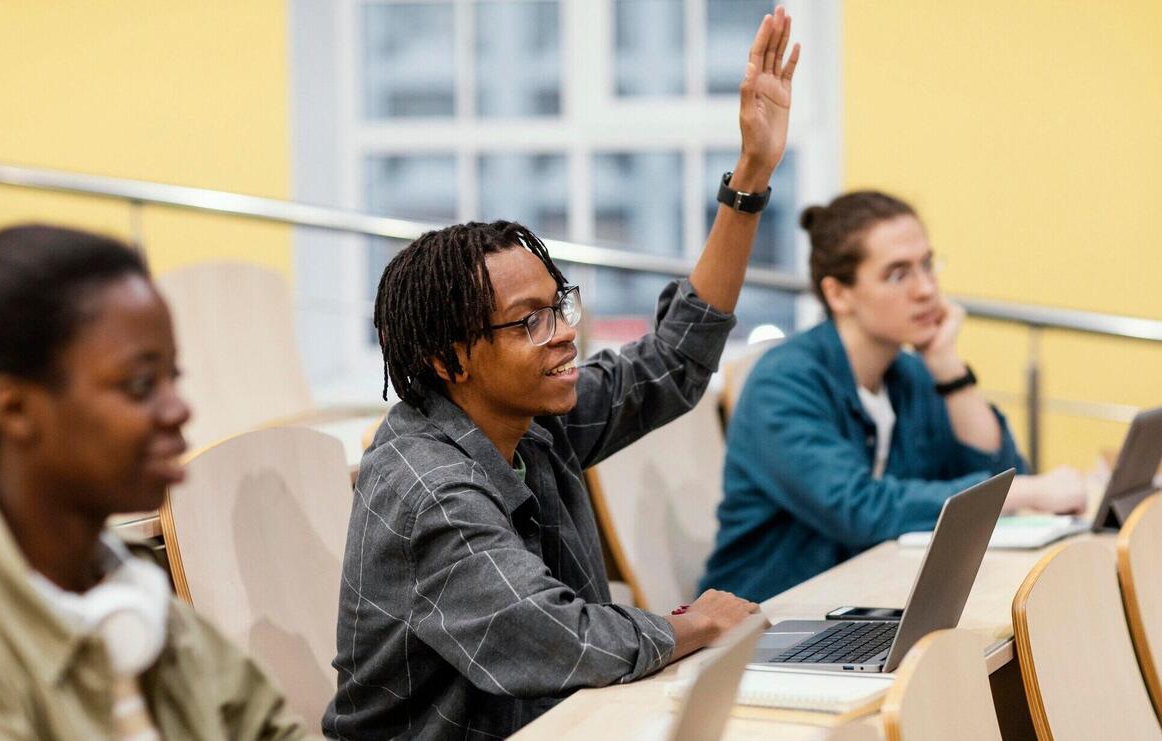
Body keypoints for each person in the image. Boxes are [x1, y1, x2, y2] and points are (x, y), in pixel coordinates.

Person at [323, 9, 800, 740]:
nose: (564, 333)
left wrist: (751, 177)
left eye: (560, 306)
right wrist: (693, 622)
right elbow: (562, 637)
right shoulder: (431, 491)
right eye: (529, 321)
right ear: (450, 359)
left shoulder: (529, 418)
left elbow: (674, 359)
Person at [0, 225, 306, 739]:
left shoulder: (133, 586)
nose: (179, 408)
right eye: (141, 384)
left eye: (174, 377)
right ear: (14, 409)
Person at [700, 191, 1089, 602]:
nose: (926, 290)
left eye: (927, 265)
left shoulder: (909, 375)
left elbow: (1002, 474)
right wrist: (1021, 493)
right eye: (898, 274)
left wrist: (949, 370)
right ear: (838, 294)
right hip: (767, 617)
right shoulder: (783, 383)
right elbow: (859, 509)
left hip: (869, 602)